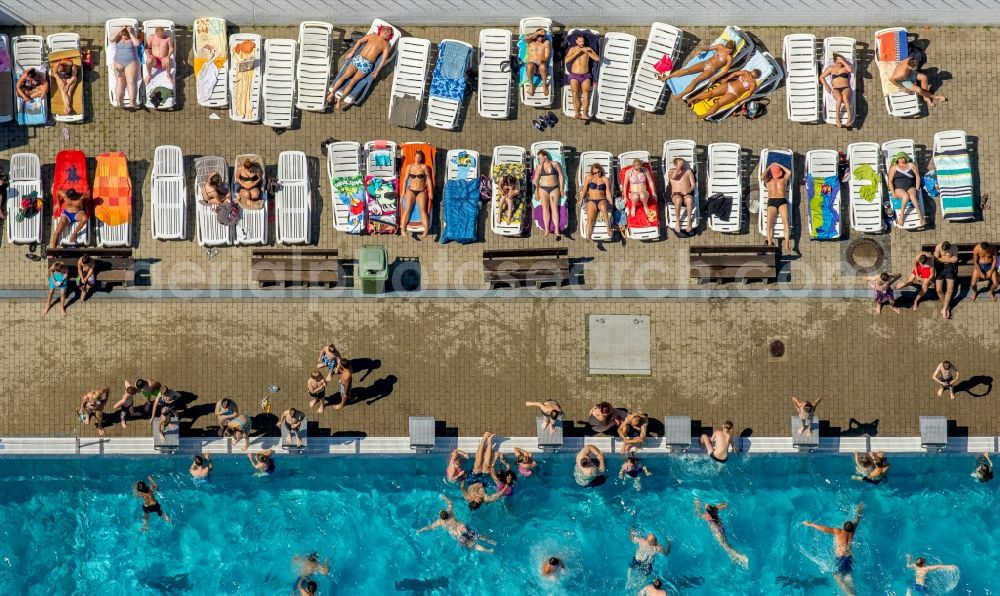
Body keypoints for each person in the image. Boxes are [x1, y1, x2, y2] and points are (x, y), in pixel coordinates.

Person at [326, 25, 394, 110]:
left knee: (353, 82)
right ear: (380, 30)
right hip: (359, 58)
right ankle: (332, 93)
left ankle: (340, 99)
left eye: (389, 33)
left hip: (367, 64)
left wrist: (377, 70)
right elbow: (359, 41)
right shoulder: (372, 35)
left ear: (389, 36)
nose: (387, 33)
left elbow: (383, 59)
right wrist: (352, 52)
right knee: (344, 77)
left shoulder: (386, 44)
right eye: (386, 30)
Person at [801, 503, 863, 596]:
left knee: (837, 576)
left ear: (843, 527)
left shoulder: (838, 531)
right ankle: (853, 594)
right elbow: (857, 519)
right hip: (849, 557)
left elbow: (824, 529)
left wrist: (810, 524)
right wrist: (859, 509)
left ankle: (850, 594)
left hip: (841, 558)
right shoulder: (852, 531)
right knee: (848, 576)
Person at [418, 495, 496, 552]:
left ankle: (487, 551)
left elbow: (430, 527)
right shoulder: (450, 513)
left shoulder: (440, 522)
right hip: (463, 528)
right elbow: (450, 503)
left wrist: (420, 530)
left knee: (472, 545)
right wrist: (445, 497)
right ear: (446, 513)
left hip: (457, 534)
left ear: (441, 517)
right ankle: (491, 541)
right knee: (477, 536)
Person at [665, 39, 736, 98]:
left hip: (711, 70)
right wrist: (701, 50)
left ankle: (681, 95)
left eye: (731, 51)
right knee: (686, 70)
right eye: (729, 50)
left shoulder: (729, 58)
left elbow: (726, 71)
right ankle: (667, 77)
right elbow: (708, 48)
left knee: (695, 81)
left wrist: (715, 77)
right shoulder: (720, 46)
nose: (729, 52)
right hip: (706, 63)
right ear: (726, 46)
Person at [686, 69, 760, 120]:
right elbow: (735, 74)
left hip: (733, 94)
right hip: (728, 85)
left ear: (755, 78)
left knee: (718, 103)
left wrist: (740, 100)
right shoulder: (745, 72)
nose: (749, 76)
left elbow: (749, 94)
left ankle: (704, 115)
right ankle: (692, 99)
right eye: (750, 73)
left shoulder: (753, 84)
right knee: (710, 93)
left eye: (752, 76)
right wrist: (726, 79)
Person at [694, 500, 749, 567]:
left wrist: (697, 505)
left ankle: (741, 557)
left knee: (726, 546)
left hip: (717, 532)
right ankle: (735, 557)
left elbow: (698, 514)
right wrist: (720, 504)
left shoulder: (707, 517)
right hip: (721, 528)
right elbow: (726, 505)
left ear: (707, 512)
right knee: (727, 544)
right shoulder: (715, 509)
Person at [461, 433, 504, 509]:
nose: (479, 499)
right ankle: (490, 440)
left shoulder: (468, 498)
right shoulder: (485, 499)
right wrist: (505, 489)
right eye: (480, 501)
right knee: (487, 464)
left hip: (472, 480)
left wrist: (463, 480)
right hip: (483, 481)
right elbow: (498, 495)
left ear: (472, 500)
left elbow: (462, 489)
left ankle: (484, 438)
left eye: (477, 499)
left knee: (478, 462)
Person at [564, 32, 598, 120]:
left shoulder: (588, 48)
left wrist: (588, 53)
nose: (581, 43)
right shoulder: (572, 49)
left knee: (586, 92)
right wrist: (578, 52)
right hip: (574, 75)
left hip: (586, 75)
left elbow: (597, 58)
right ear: (576, 41)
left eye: (582, 42)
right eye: (580, 42)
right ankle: (577, 113)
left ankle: (585, 114)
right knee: (574, 93)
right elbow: (566, 61)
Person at [886, 152, 926, 228]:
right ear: (897, 159)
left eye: (902, 157)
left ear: (906, 158)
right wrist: (893, 192)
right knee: (906, 196)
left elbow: (917, 177)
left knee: (913, 198)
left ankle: (921, 217)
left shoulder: (911, 165)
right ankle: (901, 217)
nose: (901, 159)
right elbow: (890, 181)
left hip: (911, 186)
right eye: (899, 158)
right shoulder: (894, 168)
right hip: (898, 188)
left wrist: (917, 188)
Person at [399, 150, 433, 239]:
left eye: (419, 157)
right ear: (414, 157)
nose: (417, 159)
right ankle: (402, 229)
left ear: (421, 159)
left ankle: (426, 230)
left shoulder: (424, 167)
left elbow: (429, 180)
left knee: (422, 210)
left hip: (421, 191)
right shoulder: (409, 167)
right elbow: (405, 180)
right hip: (411, 190)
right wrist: (403, 191)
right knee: (407, 209)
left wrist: (431, 192)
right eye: (416, 157)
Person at [762, 162, 793, 252]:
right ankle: (769, 243)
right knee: (769, 224)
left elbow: (789, 172)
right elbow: (762, 176)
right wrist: (769, 167)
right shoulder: (768, 180)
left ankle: (786, 243)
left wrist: (779, 165)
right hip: (772, 201)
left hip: (782, 200)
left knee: (786, 222)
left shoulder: (783, 179)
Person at [533, 150, 564, 237]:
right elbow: (535, 180)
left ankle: (557, 229)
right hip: (543, 189)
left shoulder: (555, 164)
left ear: (545, 156)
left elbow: (561, 176)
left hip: (554, 188)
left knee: (554, 208)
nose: (539, 160)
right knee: (545, 209)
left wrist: (561, 189)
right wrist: (536, 191)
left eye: (540, 158)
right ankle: (546, 230)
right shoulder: (539, 167)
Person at [579, 162, 612, 241]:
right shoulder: (589, 177)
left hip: (602, 199)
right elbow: (584, 190)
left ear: (601, 170)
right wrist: (581, 200)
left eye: (598, 172)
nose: (597, 174)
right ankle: (587, 237)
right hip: (591, 200)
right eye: (595, 172)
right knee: (590, 218)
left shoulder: (605, 179)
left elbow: (607, 191)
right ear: (592, 172)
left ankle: (608, 228)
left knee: (604, 208)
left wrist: (610, 201)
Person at [110, 25, 141, 109]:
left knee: (130, 81)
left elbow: (137, 44)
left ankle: (132, 101)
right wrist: (120, 29)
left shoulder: (132, 39)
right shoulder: (118, 38)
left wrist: (131, 33)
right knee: (120, 80)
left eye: (126, 35)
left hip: (131, 62)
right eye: (123, 35)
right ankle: (118, 100)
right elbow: (110, 39)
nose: (124, 37)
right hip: (118, 62)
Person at [820, 53, 853, 127]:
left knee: (845, 99)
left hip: (845, 87)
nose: (839, 64)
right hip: (836, 89)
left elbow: (850, 70)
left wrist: (843, 61)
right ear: (835, 62)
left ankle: (849, 118)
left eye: (841, 62)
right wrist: (826, 86)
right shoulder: (831, 68)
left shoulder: (845, 68)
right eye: (838, 62)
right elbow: (821, 77)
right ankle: (837, 119)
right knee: (839, 99)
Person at [667, 157, 696, 234]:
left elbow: (693, 185)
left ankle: (689, 221)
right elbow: (673, 177)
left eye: (683, 164)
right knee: (678, 200)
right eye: (680, 164)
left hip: (686, 193)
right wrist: (678, 167)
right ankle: (677, 221)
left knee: (689, 200)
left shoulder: (688, 171)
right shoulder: (670, 172)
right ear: (676, 164)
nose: (682, 165)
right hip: (676, 194)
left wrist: (687, 191)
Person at [933, 241, 959, 319]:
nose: (944, 252)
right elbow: (936, 259)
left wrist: (944, 259)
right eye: (943, 251)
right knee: (938, 290)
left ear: (949, 248)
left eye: (946, 251)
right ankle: (947, 307)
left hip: (950, 267)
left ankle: (944, 309)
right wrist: (949, 260)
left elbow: (955, 259)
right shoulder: (938, 247)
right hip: (940, 267)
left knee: (950, 290)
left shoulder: (954, 248)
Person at [524, 28, 552, 97]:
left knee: (542, 66)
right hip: (531, 65)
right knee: (529, 65)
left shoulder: (546, 42)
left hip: (541, 65)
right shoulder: (531, 41)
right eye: (539, 35)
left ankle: (544, 84)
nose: (540, 37)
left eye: (543, 36)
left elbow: (546, 56)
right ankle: (531, 85)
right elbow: (525, 39)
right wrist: (536, 33)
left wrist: (541, 61)